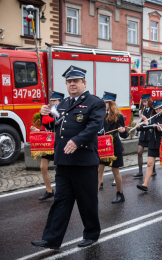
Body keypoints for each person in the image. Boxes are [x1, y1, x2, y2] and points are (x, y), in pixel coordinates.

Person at [31, 65, 105, 249]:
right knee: (61, 201)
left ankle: (91, 234)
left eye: (76, 81)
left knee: (87, 200)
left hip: (83, 160)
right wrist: (45, 116)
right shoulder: (62, 104)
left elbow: (95, 126)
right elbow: (54, 127)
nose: (72, 84)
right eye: (69, 82)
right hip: (64, 161)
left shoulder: (95, 102)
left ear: (84, 83)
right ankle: (51, 239)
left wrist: (77, 141)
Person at [31, 91, 65, 201]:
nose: (53, 102)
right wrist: (38, 130)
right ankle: (49, 191)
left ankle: (63, 191)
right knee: (42, 167)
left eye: (55, 100)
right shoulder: (47, 113)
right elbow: (47, 129)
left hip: (59, 143)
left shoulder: (62, 113)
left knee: (61, 169)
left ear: (60, 101)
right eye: (52, 100)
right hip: (49, 143)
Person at [98, 92, 129, 203]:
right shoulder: (100, 114)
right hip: (102, 147)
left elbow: (125, 135)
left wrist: (123, 130)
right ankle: (94, 197)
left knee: (115, 171)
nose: (104, 104)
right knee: (98, 170)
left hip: (114, 146)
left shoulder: (118, 116)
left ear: (111, 103)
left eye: (106, 102)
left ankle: (120, 193)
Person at [136, 99, 162, 192]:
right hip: (152, 142)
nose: (157, 110)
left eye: (159, 108)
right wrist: (140, 127)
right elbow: (147, 127)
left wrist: (150, 124)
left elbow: (161, 126)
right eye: (156, 109)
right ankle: (145, 184)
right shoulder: (152, 117)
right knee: (149, 164)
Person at [133, 94, 156, 178]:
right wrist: (138, 124)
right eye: (143, 102)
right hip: (143, 134)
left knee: (151, 153)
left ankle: (153, 170)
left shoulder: (153, 110)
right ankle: (140, 172)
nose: (144, 104)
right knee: (139, 152)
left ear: (149, 101)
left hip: (150, 133)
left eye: (145, 102)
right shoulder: (142, 110)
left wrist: (146, 120)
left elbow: (153, 121)